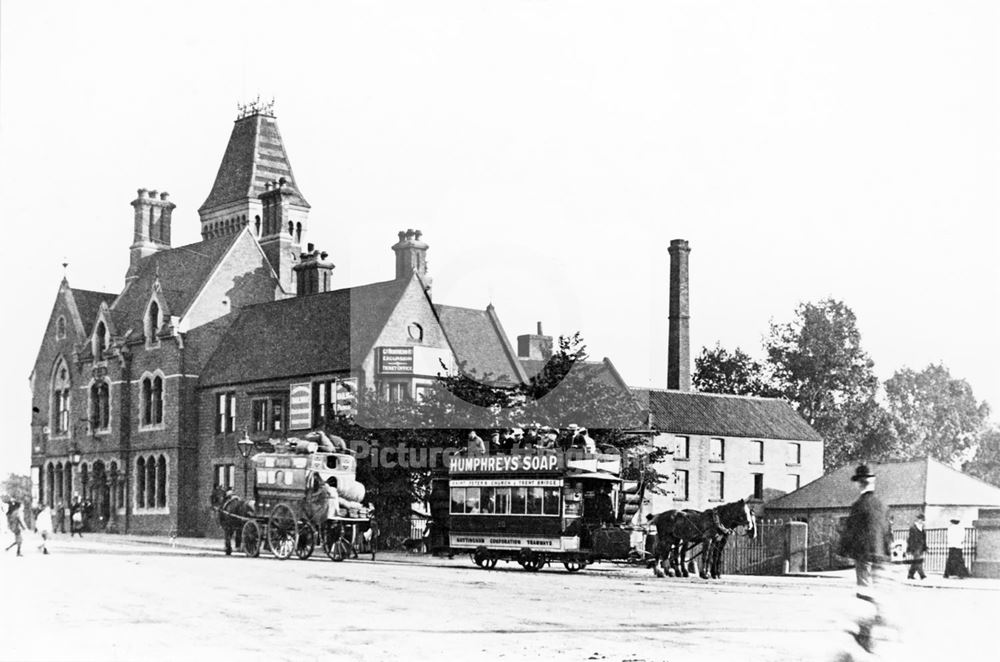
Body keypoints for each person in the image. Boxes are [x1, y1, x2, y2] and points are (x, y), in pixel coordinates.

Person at [837, 464, 890, 654]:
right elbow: (886, 532)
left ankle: (866, 635)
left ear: (859, 484)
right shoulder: (882, 505)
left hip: (864, 557)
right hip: (879, 556)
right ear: (872, 482)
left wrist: (843, 551)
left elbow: (850, 532)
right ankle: (877, 624)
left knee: (865, 593)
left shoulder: (858, 506)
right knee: (876, 593)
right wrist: (886, 554)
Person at [906, 513, 927, 580]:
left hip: (920, 547)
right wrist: (909, 548)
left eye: (922, 520)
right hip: (915, 547)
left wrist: (925, 547)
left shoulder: (922, 528)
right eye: (920, 519)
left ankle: (910, 574)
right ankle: (922, 575)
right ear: (918, 520)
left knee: (915, 561)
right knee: (918, 560)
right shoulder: (913, 528)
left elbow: (924, 539)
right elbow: (910, 539)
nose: (921, 521)